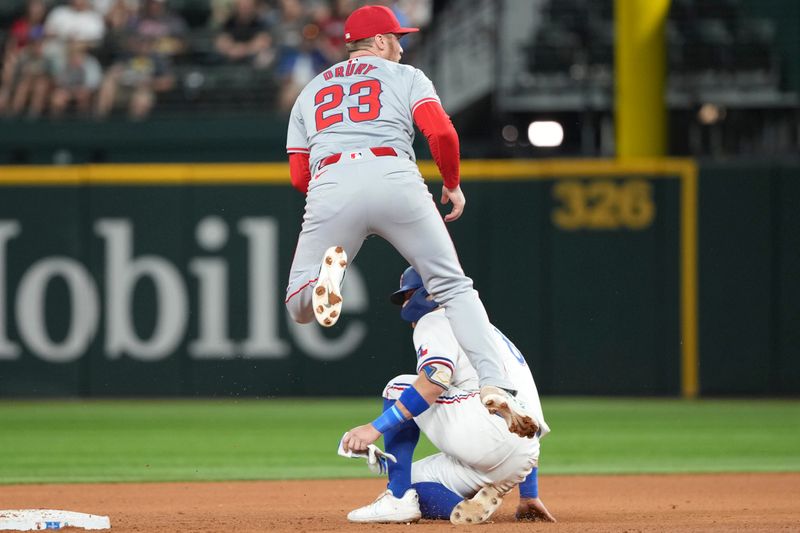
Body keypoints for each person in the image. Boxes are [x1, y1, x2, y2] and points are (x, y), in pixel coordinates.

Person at [284, 4, 537, 438]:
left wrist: (335, 204)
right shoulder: (406, 76)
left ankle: (322, 283)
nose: (401, 47)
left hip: (331, 181)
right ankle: (495, 382)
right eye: (397, 38)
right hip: (394, 175)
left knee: (298, 305)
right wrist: (452, 183)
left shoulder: (310, 90)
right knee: (453, 287)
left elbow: (298, 173)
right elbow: (441, 133)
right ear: (380, 41)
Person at [341, 266, 556, 524]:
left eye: (408, 295)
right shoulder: (489, 332)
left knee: (398, 386)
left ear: (429, 293)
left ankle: (396, 499)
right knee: (411, 481)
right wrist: (528, 495)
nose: (405, 304)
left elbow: (434, 381)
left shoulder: (436, 318)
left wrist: (375, 428)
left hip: (488, 435)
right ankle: (463, 507)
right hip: (522, 458)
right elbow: (527, 421)